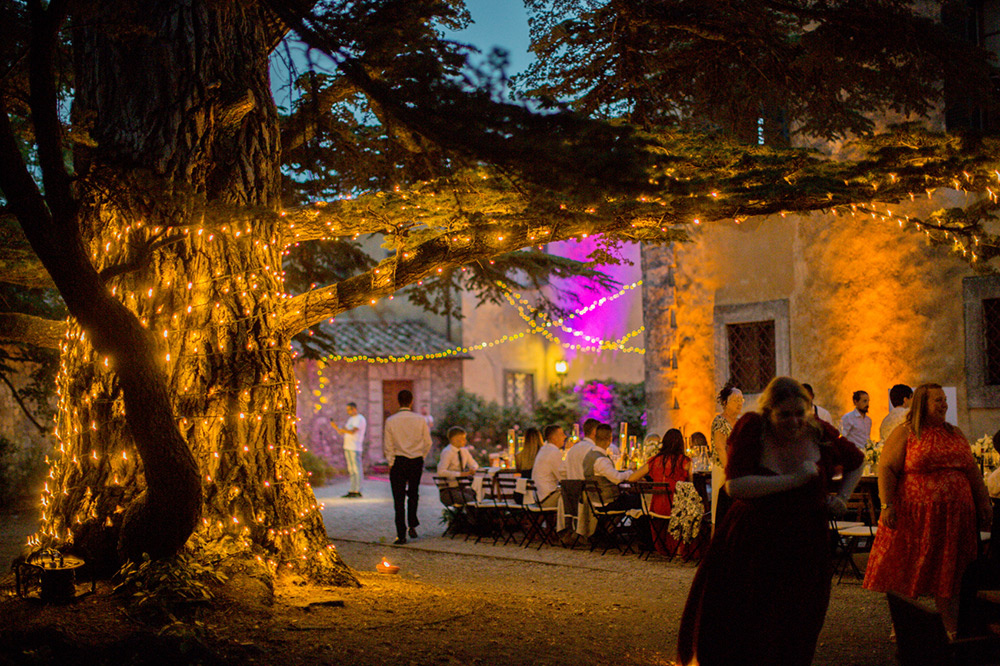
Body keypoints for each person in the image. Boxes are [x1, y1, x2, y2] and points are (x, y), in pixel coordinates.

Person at [677, 377, 864, 666]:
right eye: (784, 415)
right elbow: (735, 486)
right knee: (750, 621)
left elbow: (856, 460)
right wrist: (794, 480)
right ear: (769, 412)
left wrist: (841, 498)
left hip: (806, 543)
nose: (793, 421)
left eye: (799, 413)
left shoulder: (818, 431)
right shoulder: (753, 428)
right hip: (755, 541)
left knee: (799, 621)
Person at [863, 383, 992, 637]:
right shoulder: (907, 433)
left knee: (950, 571)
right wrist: (887, 505)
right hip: (916, 516)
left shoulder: (954, 433)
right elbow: (887, 468)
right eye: (938, 401)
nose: (944, 405)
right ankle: (903, 624)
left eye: (944, 400)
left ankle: (950, 626)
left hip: (954, 518)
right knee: (910, 567)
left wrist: (983, 503)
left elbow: (971, 471)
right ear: (923, 403)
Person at [628, 428, 691, 555]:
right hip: (677, 508)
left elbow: (632, 478)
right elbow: (692, 482)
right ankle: (683, 547)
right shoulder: (684, 461)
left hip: (656, 509)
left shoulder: (655, 460)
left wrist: (647, 482)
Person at [383, 389, 432, 545]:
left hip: (399, 461)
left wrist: (391, 462)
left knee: (398, 499)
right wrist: (421, 457)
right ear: (411, 401)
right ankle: (412, 524)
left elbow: (388, 445)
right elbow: (428, 442)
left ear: (398, 402)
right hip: (415, 461)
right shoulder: (420, 420)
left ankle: (401, 534)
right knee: (413, 494)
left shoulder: (391, 421)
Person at [583, 423, 641, 511]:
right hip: (608, 501)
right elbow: (617, 478)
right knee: (641, 500)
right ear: (610, 439)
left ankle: (612, 525)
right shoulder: (601, 460)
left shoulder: (589, 455)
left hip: (594, 500)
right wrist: (631, 472)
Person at [710, 383, 743, 526]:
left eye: (741, 400)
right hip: (724, 469)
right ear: (725, 403)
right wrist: (729, 470)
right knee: (722, 508)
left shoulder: (739, 421)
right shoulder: (720, 421)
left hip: (738, 470)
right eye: (735, 400)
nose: (739, 403)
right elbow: (720, 447)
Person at [331, 402, 367, 498]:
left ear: (354, 409)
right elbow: (344, 430)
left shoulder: (360, 419)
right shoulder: (351, 419)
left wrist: (342, 430)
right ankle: (352, 489)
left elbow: (352, 431)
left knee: (356, 469)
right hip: (348, 446)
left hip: (355, 447)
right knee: (351, 470)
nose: (348, 412)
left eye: (349, 410)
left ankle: (358, 490)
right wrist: (336, 427)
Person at [436, 426, 479, 504]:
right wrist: (460, 474)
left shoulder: (464, 451)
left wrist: (473, 468)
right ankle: (470, 515)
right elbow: (441, 472)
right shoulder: (448, 452)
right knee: (470, 500)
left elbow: (474, 463)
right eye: (462, 438)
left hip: (460, 488)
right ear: (454, 439)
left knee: (480, 496)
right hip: (448, 490)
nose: (465, 441)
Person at [533, 425, 567, 508]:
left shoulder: (544, 450)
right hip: (547, 499)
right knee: (580, 497)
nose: (565, 437)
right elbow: (564, 478)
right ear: (554, 438)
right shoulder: (553, 452)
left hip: (538, 497)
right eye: (562, 434)